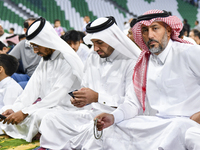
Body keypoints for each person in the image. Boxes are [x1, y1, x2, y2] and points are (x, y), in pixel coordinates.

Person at [95, 9, 200, 150]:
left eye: (155, 28)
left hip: (188, 123)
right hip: (158, 125)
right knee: (116, 128)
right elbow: (133, 104)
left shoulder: (189, 53)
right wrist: (113, 117)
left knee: (181, 129)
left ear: (168, 30)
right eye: (144, 30)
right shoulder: (143, 63)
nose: (149, 35)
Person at [37, 16, 141, 150]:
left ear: (113, 39)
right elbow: (86, 88)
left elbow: (132, 104)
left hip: (117, 119)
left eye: (99, 42)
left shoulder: (131, 62)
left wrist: (98, 97)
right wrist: (82, 100)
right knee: (50, 119)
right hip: (92, 114)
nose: (95, 48)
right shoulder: (93, 57)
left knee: (102, 133)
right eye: (93, 42)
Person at [0, 17, 84, 143]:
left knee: (42, 117)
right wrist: (17, 108)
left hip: (67, 111)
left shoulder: (68, 59)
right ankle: (35, 132)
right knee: (6, 110)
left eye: (36, 46)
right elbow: (32, 88)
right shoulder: (45, 59)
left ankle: (38, 133)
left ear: (47, 41)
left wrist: (24, 112)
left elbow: (56, 96)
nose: (35, 51)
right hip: (46, 107)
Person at [8, 18, 41, 89]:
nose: (37, 29)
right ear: (25, 30)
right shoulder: (22, 44)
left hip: (42, 80)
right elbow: (8, 60)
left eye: (38, 26)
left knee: (16, 87)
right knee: (4, 78)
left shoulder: (45, 43)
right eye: (33, 26)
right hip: (28, 77)